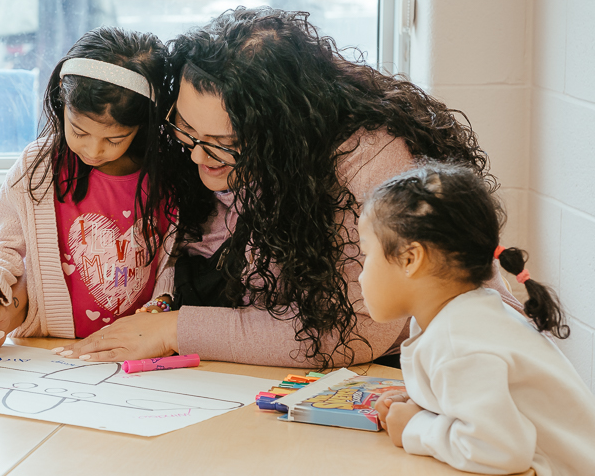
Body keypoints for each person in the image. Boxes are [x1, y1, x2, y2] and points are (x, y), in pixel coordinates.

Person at [58, 7, 521, 368]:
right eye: (185, 131)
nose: (197, 156)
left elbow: (359, 329)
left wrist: (176, 330)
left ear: (282, 132)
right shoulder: (206, 147)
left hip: (420, 370)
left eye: (222, 145)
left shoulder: (372, 163)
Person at [0, 27, 171, 355]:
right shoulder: (36, 167)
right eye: (79, 131)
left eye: (114, 140)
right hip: (49, 351)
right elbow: (3, 248)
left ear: (144, 126)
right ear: (60, 102)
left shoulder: (167, 178)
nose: (94, 151)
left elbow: (176, 268)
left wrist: (161, 311)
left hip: (137, 356)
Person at [362, 165, 595, 475]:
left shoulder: (459, 340)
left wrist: (415, 427)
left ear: (410, 259)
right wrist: (425, 405)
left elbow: (500, 451)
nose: (362, 274)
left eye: (366, 253)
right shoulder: (464, 319)